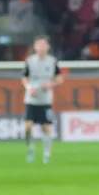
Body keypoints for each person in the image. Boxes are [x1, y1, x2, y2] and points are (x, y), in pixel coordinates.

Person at [22, 36, 64, 164]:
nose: (41, 47)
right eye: (39, 45)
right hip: (31, 100)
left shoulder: (52, 61)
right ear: (35, 47)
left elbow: (60, 78)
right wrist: (29, 88)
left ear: (48, 47)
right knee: (28, 127)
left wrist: (51, 84)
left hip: (46, 101)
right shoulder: (29, 61)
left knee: (46, 127)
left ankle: (47, 153)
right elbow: (24, 78)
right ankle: (30, 148)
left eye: (44, 45)